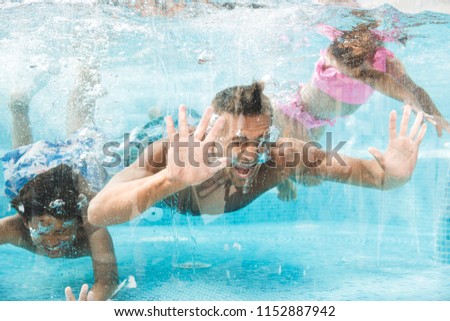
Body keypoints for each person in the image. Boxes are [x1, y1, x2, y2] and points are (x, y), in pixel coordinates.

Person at [87, 81, 427, 227]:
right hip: (140, 142)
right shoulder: (168, 154)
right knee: (93, 152)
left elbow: (376, 176)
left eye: (261, 139)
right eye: (238, 142)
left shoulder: (282, 155)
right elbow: (97, 213)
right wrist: (168, 180)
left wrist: (392, 176)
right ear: (216, 134)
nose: (251, 154)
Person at [272, 22, 449, 200]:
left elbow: (414, 89)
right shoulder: (338, 52)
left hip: (318, 121)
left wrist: (436, 114)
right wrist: (407, 97)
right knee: (307, 176)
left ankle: (281, 172)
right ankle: (281, 179)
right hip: (292, 113)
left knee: (306, 170)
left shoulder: (386, 62)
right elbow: (371, 77)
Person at [0, 63, 118, 301]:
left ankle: (84, 73)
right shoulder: (12, 227)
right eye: (42, 228)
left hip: (76, 167)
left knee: (81, 139)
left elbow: (107, 281)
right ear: (25, 220)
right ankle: (20, 106)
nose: (53, 242)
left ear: (78, 220)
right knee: (25, 169)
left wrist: (92, 302)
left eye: (64, 230)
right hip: (34, 175)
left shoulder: (93, 228)